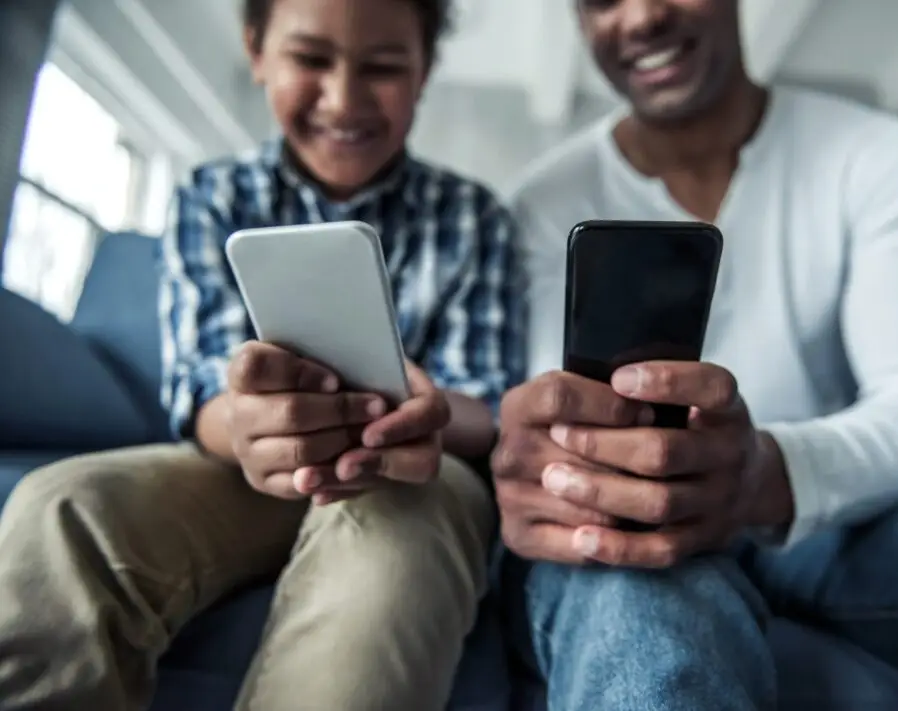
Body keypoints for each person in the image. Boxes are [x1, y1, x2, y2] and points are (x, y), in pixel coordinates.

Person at [494, 0, 898, 709]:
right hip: (640, 520)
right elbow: (554, 419)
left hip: (834, 520)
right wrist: (547, 468)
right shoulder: (543, 200)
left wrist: (762, 473)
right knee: (635, 594)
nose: (642, 16)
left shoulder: (879, 153)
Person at [0, 0, 524, 709]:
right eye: (311, 59)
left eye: (384, 66)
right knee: (59, 509)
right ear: (257, 50)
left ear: (424, 69)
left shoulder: (475, 218)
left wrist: (425, 413)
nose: (343, 98)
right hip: (239, 470)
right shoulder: (212, 195)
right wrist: (245, 421)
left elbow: (486, 404)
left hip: (419, 474)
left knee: (391, 540)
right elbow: (200, 386)